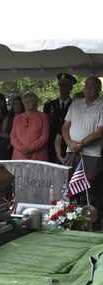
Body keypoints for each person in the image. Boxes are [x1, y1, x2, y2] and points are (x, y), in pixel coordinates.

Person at [62, 76, 103, 225]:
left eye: (92, 86)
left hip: (92, 154)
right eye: (86, 85)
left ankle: (93, 220)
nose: (87, 88)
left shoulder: (102, 105)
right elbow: (65, 127)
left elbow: (100, 132)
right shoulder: (75, 104)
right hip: (71, 151)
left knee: (91, 185)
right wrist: (69, 142)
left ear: (99, 89)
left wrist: (80, 144)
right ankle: (68, 217)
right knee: (68, 184)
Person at [44, 73, 77, 164]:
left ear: (71, 87)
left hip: (66, 142)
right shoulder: (49, 105)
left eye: (66, 86)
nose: (63, 88)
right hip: (50, 141)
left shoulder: (74, 105)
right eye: (61, 85)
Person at [10, 92, 49, 161]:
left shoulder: (43, 117)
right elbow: (13, 137)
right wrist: (22, 149)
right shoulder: (17, 118)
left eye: (29, 101)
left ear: (36, 102)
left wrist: (30, 148)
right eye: (25, 102)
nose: (27, 103)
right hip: (19, 155)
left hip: (38, 155)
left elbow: (44, 136)